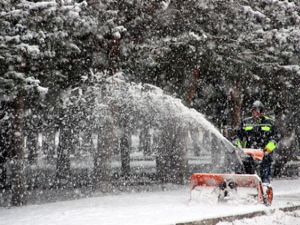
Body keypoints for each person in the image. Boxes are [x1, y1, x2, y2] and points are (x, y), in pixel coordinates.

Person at [234, 100, 278, 185]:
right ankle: (248, 190)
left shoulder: (269, 123)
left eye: (258, 111)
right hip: (248, 154)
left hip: (264, 154)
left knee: (264, 175)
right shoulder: (246, 122)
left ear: (262, 112)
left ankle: (265, 189)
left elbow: (275, 138)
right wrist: (238, 147)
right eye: (254, 111)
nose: (256, 113)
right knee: (247, 175)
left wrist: (267, 150)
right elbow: (237, 137)